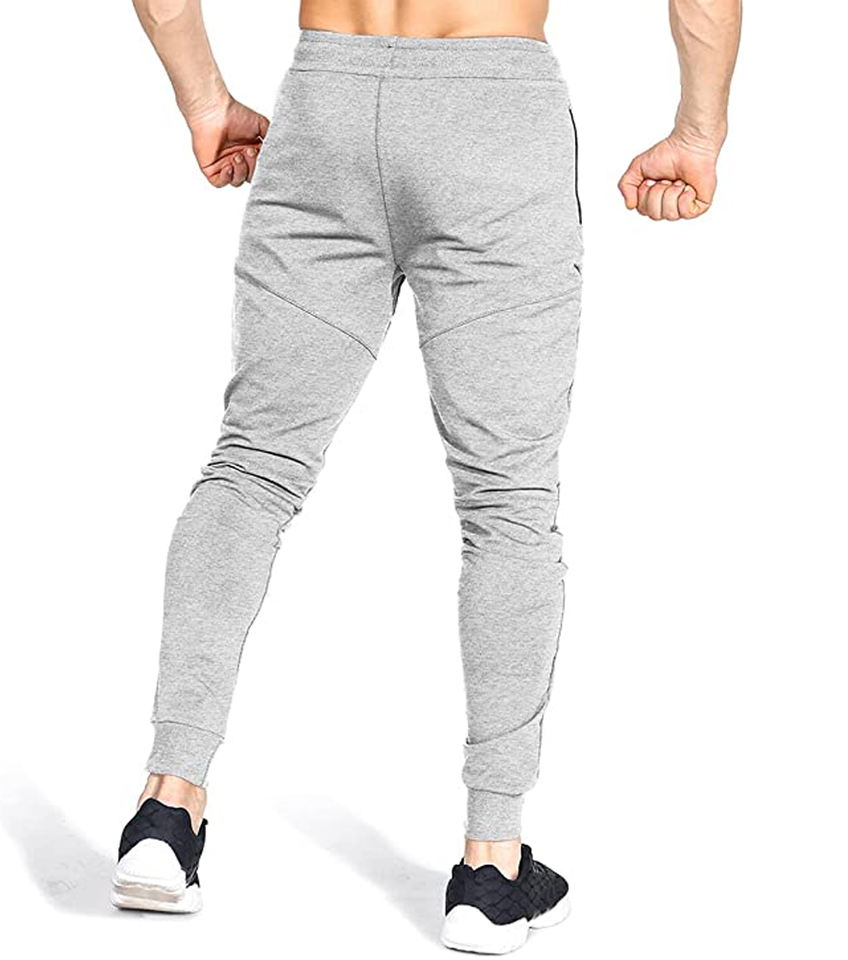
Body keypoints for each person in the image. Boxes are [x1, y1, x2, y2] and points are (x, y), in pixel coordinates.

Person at [111, 0, 742, 950]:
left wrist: (205, 100)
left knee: (254, 465)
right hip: (494, 114)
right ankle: (491, 867)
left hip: (327, 98)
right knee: (508, 501)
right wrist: (699, 132)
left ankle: (167, 810)